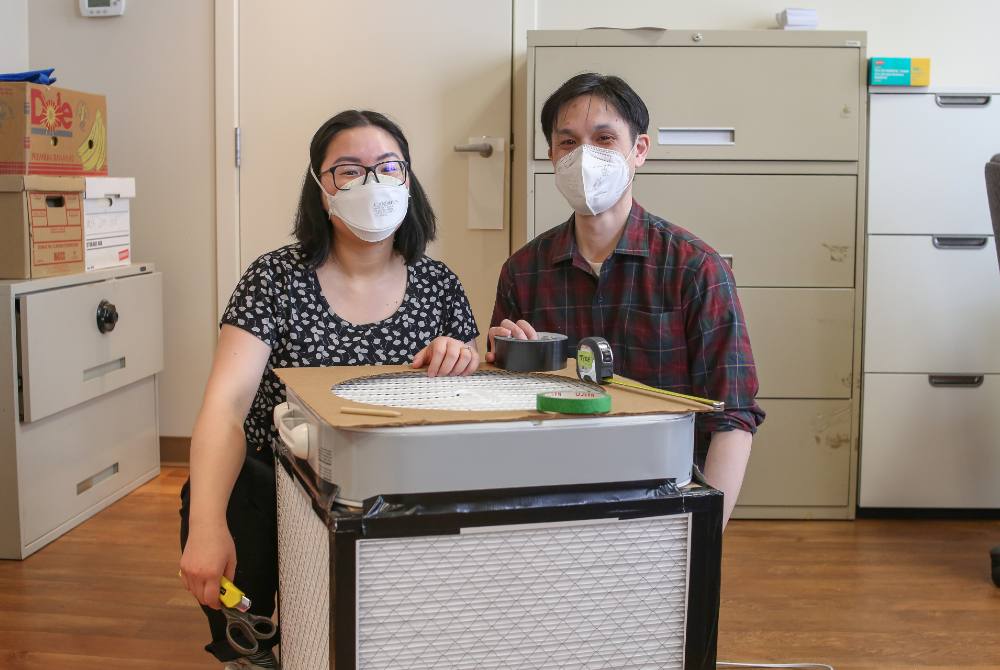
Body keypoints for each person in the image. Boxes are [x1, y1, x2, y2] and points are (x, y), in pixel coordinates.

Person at [179, 110, 480, 669]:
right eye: (348, 170)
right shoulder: (274, 279)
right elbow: (226, 405)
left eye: (388, 167)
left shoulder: (439, 286)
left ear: (408, 183)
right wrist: (206, 526)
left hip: (395, 491)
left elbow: (464, 405)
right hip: (280, 487)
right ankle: (255, 654)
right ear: (320, 190)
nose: (371, 182)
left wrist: (465, 358)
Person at [488, 73, 764, 528]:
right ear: (553, 155)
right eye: (568, 142)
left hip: (666, 496)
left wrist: (703, 537)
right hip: (551, 494)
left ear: (638, 151)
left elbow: (731, 415)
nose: (583, 157)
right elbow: (505, 408)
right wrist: (505, 361)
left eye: (604, 139)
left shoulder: (695, 268)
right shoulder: (523, 271)